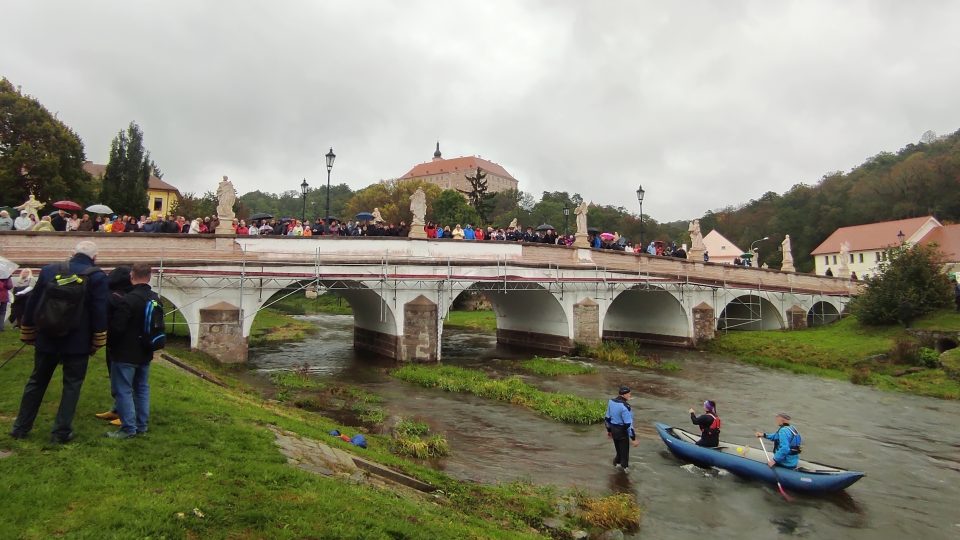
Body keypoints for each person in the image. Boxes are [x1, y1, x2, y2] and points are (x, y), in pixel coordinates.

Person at [9, 241, 109, 443]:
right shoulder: (97, 276)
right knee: (71, 386)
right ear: (95, 257)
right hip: (77, 341)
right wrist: (98, 338)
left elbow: (33, 302)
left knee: (36, 382)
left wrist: (28, 331)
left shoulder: (49, 270)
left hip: (47, 336)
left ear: (72, 253)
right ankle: (60, 432)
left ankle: (21, 427)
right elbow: (99, 310)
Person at [105, 264, 160, 439]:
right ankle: (141, 426)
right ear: (149, 277)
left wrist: (111, 345)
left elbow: (117, 328)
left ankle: (128, 428)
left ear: (132, 276)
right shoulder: (155, 298)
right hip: (145, 351)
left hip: (125, 352)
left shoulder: (128, 299)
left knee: (124, 390)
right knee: (142, 389)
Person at [95, 266, 134, 427]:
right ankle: (117, 409)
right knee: (116, 378)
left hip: (123, 344)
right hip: (115, 343)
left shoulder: (118, 298)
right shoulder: (123, 295)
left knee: (124, 381)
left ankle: (126, 414)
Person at [605, 386, 639, 472]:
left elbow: (607, 418)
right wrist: (633, 439)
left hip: (613, 429)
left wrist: (609, 431)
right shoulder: (625, 406)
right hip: (622, 431)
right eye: (629, 393)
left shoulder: (611, 402)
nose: (630, 395)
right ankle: (625, 472)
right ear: (624, 395)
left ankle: (615, 468)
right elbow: (628, 424)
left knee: (619, 452)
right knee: (624, 455)